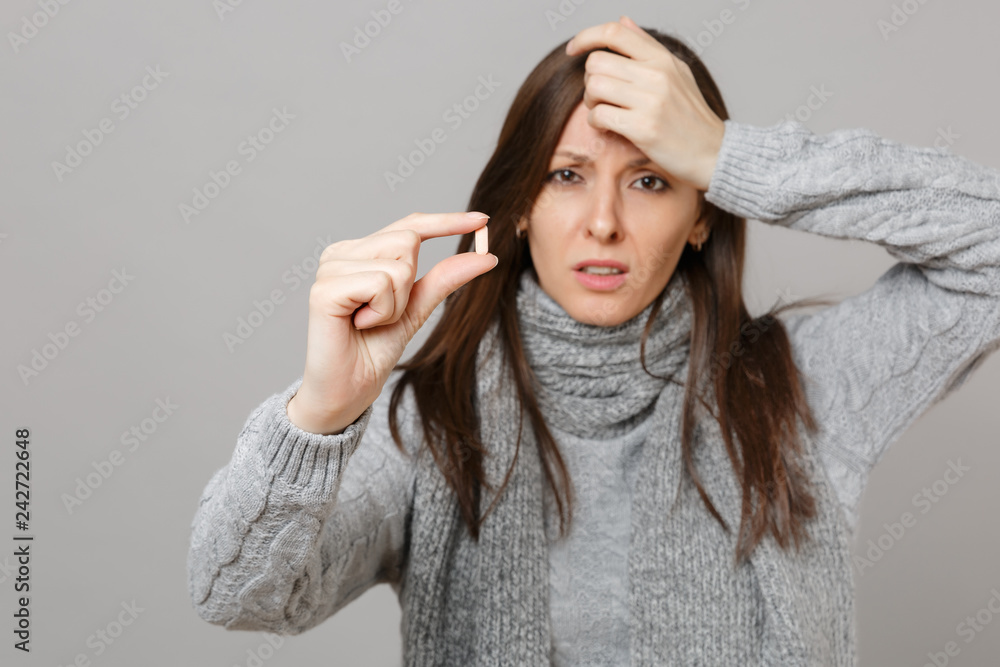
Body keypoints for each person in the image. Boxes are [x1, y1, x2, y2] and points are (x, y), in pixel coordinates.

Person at [186, 15, 1000, 666]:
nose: (603, 222)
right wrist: (319, 415)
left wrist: (728, 154)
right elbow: (237, 591)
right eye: (566, 175)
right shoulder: (428, 421)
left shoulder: (804, 384)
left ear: (702, 213)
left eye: (651, 178)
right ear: (520, 206)